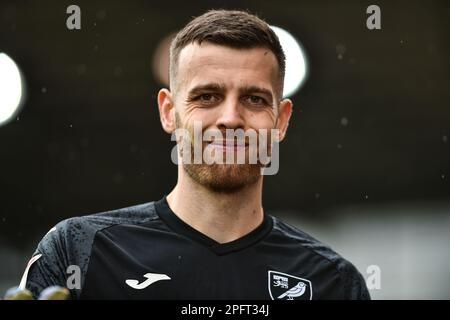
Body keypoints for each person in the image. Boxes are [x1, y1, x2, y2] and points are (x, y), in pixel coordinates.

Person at [21, 9, 370, 300]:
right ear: (168, 111)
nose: (231, 118)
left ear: (281, 120)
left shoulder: (333, 283)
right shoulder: (80, 251)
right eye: (207, 96)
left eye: (254, 99)